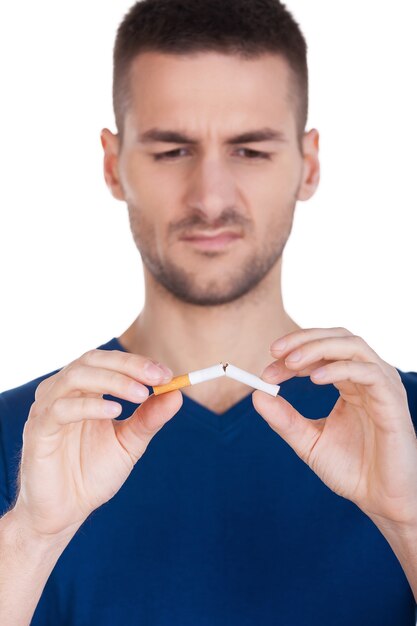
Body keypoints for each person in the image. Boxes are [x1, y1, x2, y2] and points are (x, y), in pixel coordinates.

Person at [1, 0, 417, 624]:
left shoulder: (406, 430)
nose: (211, 197)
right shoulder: (23, 437)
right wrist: (31, 536)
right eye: (172, 151)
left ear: (309, 163)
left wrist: (408, 519)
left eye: (250, 150)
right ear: (114, 165)